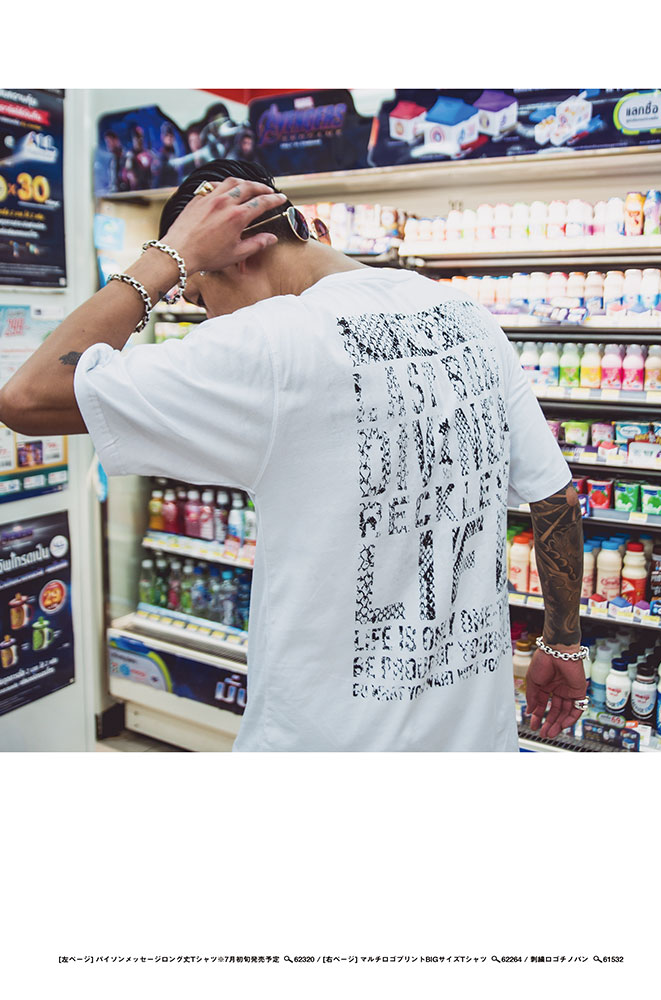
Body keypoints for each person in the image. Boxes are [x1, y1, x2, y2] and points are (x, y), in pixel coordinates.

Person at [0, 159, 586, 752]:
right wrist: (562, 643)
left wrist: (166, 257)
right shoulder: (466, 315)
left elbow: (27, 397)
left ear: (236, 252)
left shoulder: (266, 345)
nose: (210, 317)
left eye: (200, 296)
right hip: (476, 737)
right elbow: (556, 498)